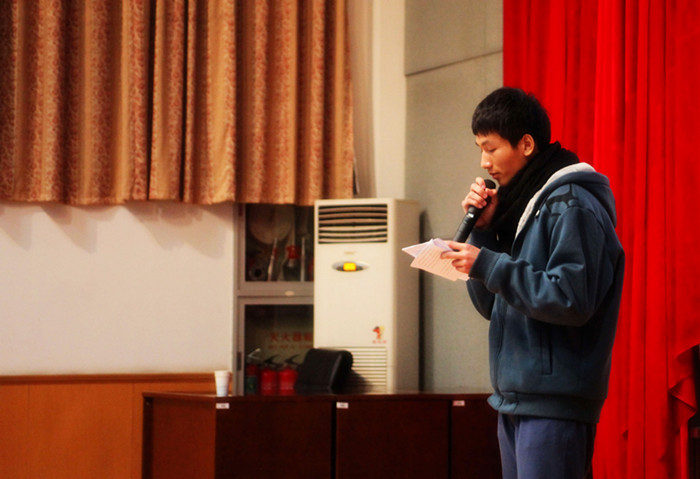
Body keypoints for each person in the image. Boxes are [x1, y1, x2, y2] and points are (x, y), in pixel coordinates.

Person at [441, 87, 625, 479]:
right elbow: (491, 306)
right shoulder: (523, 208)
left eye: (491, 148)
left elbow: (571, 299)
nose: (484, 162)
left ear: (526, 144)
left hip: (554, 403)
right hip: (515, 399)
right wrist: (484, 232)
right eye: (480, 149)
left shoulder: (571, 203)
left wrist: (489, 263)